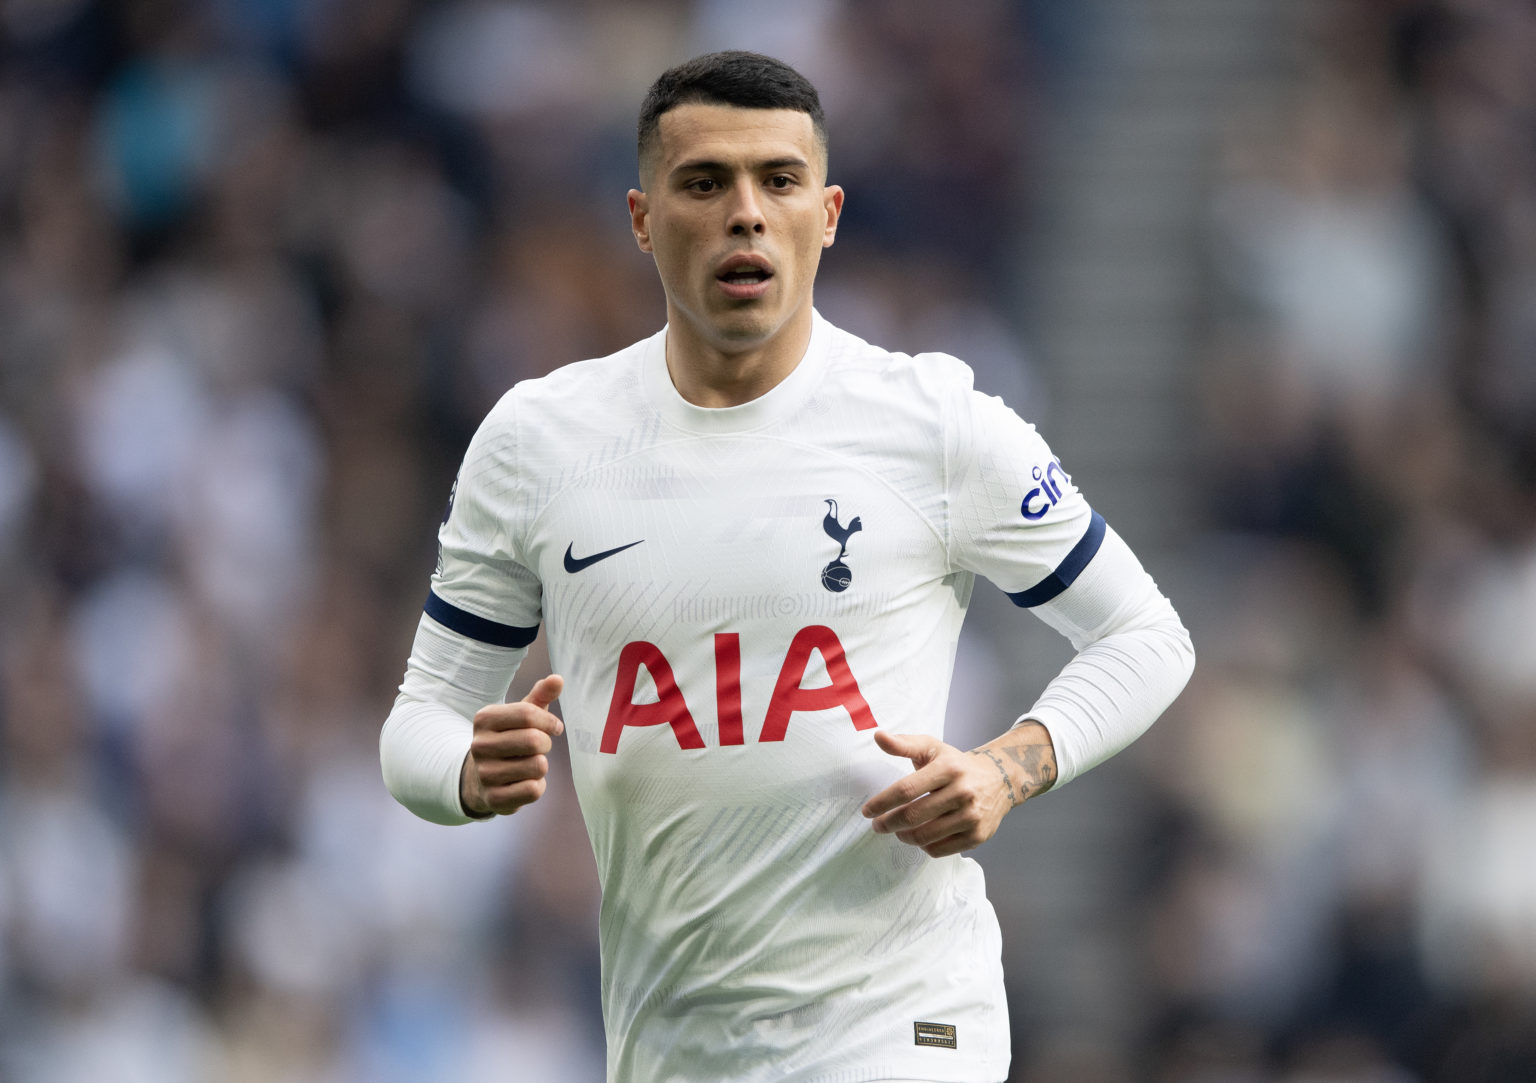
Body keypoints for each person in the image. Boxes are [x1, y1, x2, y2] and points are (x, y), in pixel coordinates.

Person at [380, 50, 1194, 1083]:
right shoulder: (538, 445)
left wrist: (1008, 764)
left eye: (779, 180)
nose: (747, 214)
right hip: (673, 1042)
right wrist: (462, 773)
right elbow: (418, 722)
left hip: (903, 1022)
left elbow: (1146, 635)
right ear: (641, 217)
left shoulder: (933, 425)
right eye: (706, 183)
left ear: (830, 213)